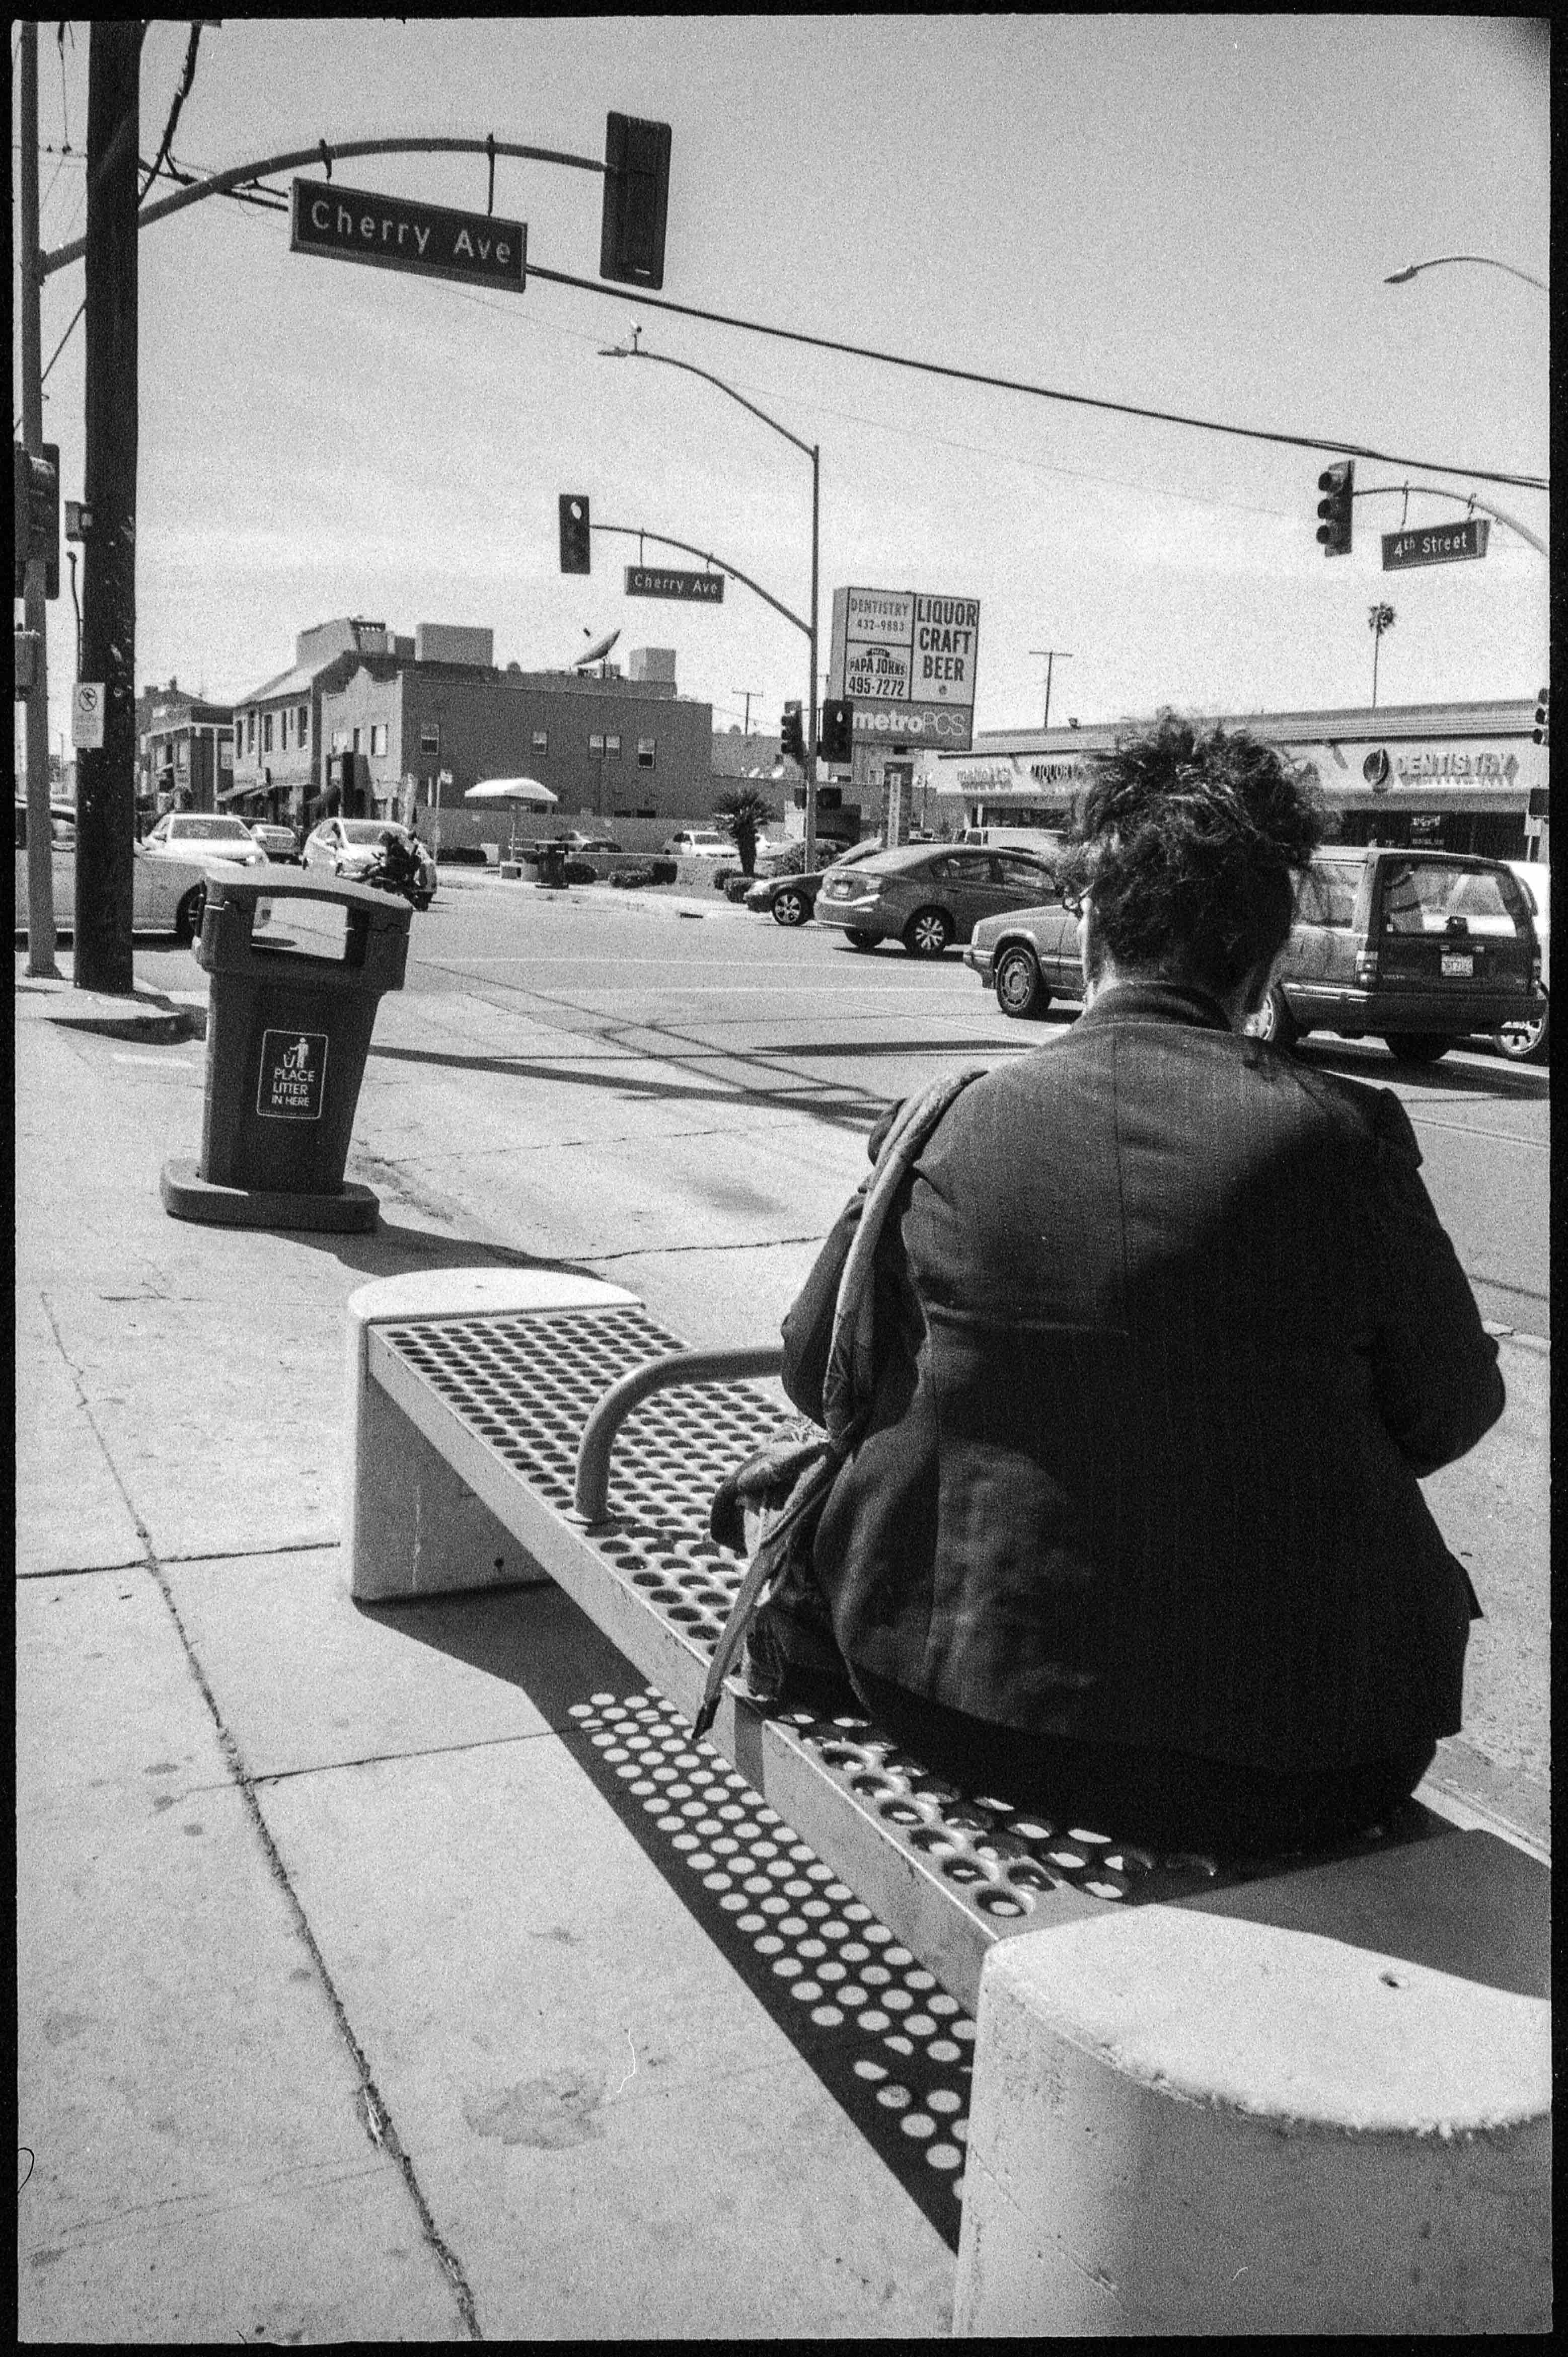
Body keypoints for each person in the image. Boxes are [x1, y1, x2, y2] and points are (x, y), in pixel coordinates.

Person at [776, 713, 1503, 1857]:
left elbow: (810, 1364)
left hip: (943, 1697)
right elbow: (1451, 1412)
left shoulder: (948, 1123)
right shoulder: (1342, 1138)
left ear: (1091, 928)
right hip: (1303, 1755)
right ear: (1264, 965)